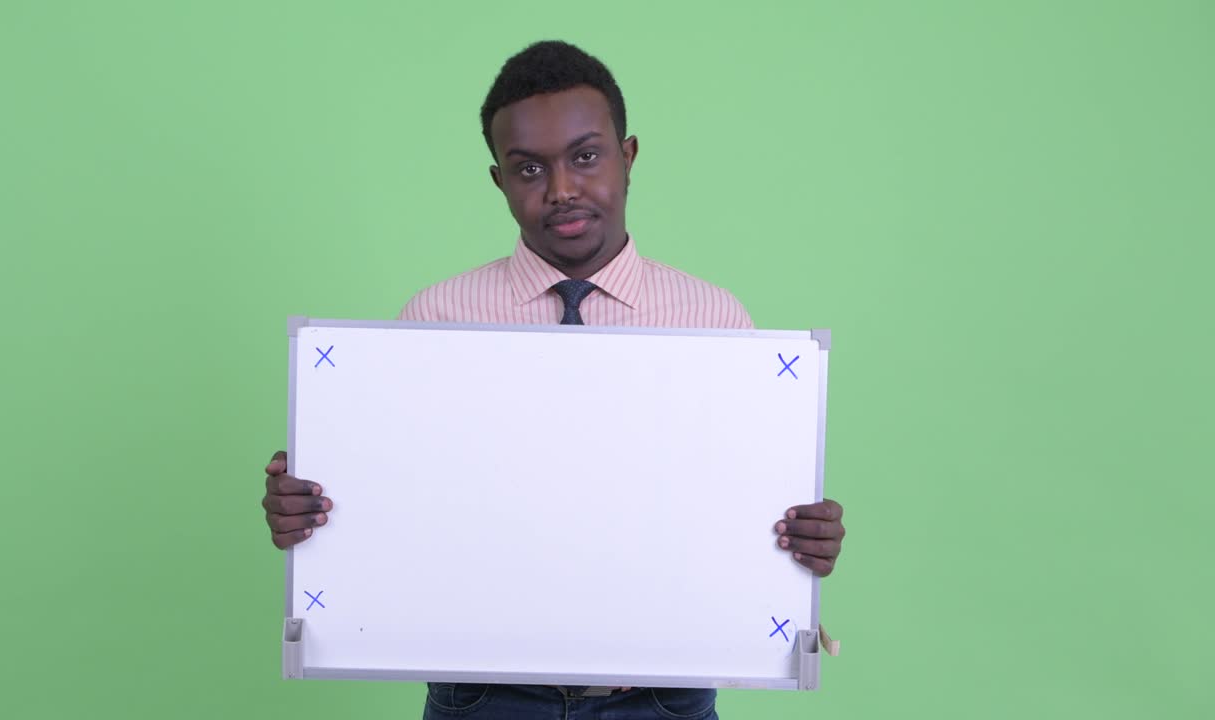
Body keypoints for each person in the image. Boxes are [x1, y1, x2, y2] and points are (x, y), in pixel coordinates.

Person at [261, 39, 847, 720]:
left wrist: (800, 545)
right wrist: (309, 511)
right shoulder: (433, 321)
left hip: (661, 700)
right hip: (482, 699)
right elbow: (394, 502)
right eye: (529, 168)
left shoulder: (718, 322)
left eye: (586, 156)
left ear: (627, 158)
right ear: (499, 181)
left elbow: (742, 510)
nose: (562, 187)